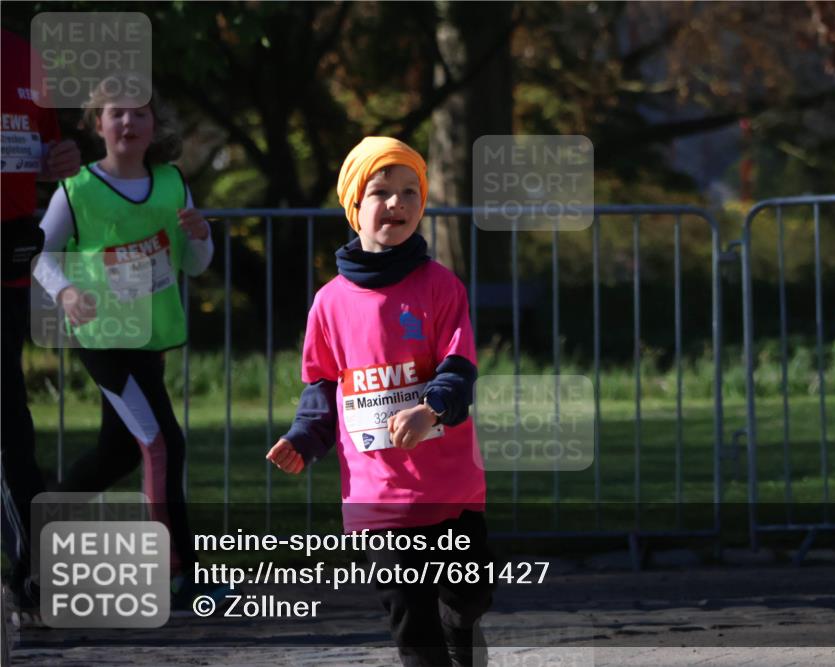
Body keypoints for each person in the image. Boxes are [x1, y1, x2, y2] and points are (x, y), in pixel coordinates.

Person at [267, 136, 493, 667]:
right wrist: (304, 436)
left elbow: (459, 369)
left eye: (410, 191)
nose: (397, 203)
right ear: (354, 207)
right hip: (378, 496)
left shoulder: (441, 286)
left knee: (470, 596)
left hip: (450, 486)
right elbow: (322, 387)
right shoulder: (328, 303)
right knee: (411, 623)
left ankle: (459, 622)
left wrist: (431, 408)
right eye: (381, 191)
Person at [32, 74, 218, 609]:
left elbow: (197, 264)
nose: (129, 122)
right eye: (117, 112)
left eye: (140, 112)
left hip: (150, 339)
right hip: (102, 339)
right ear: (97, 125)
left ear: (154, 125)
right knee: (163, 443)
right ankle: (178, 571)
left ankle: (41, 517)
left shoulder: (171, 182)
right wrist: (66, 293)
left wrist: (201, 237)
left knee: (117, 453)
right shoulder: (79, 189)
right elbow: (44, 253)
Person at [1, 27, 81, 625]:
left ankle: (31, 574)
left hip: (7, 270)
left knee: (9, 422)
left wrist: (64, 160)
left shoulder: (27, 57)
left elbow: (53, 155)